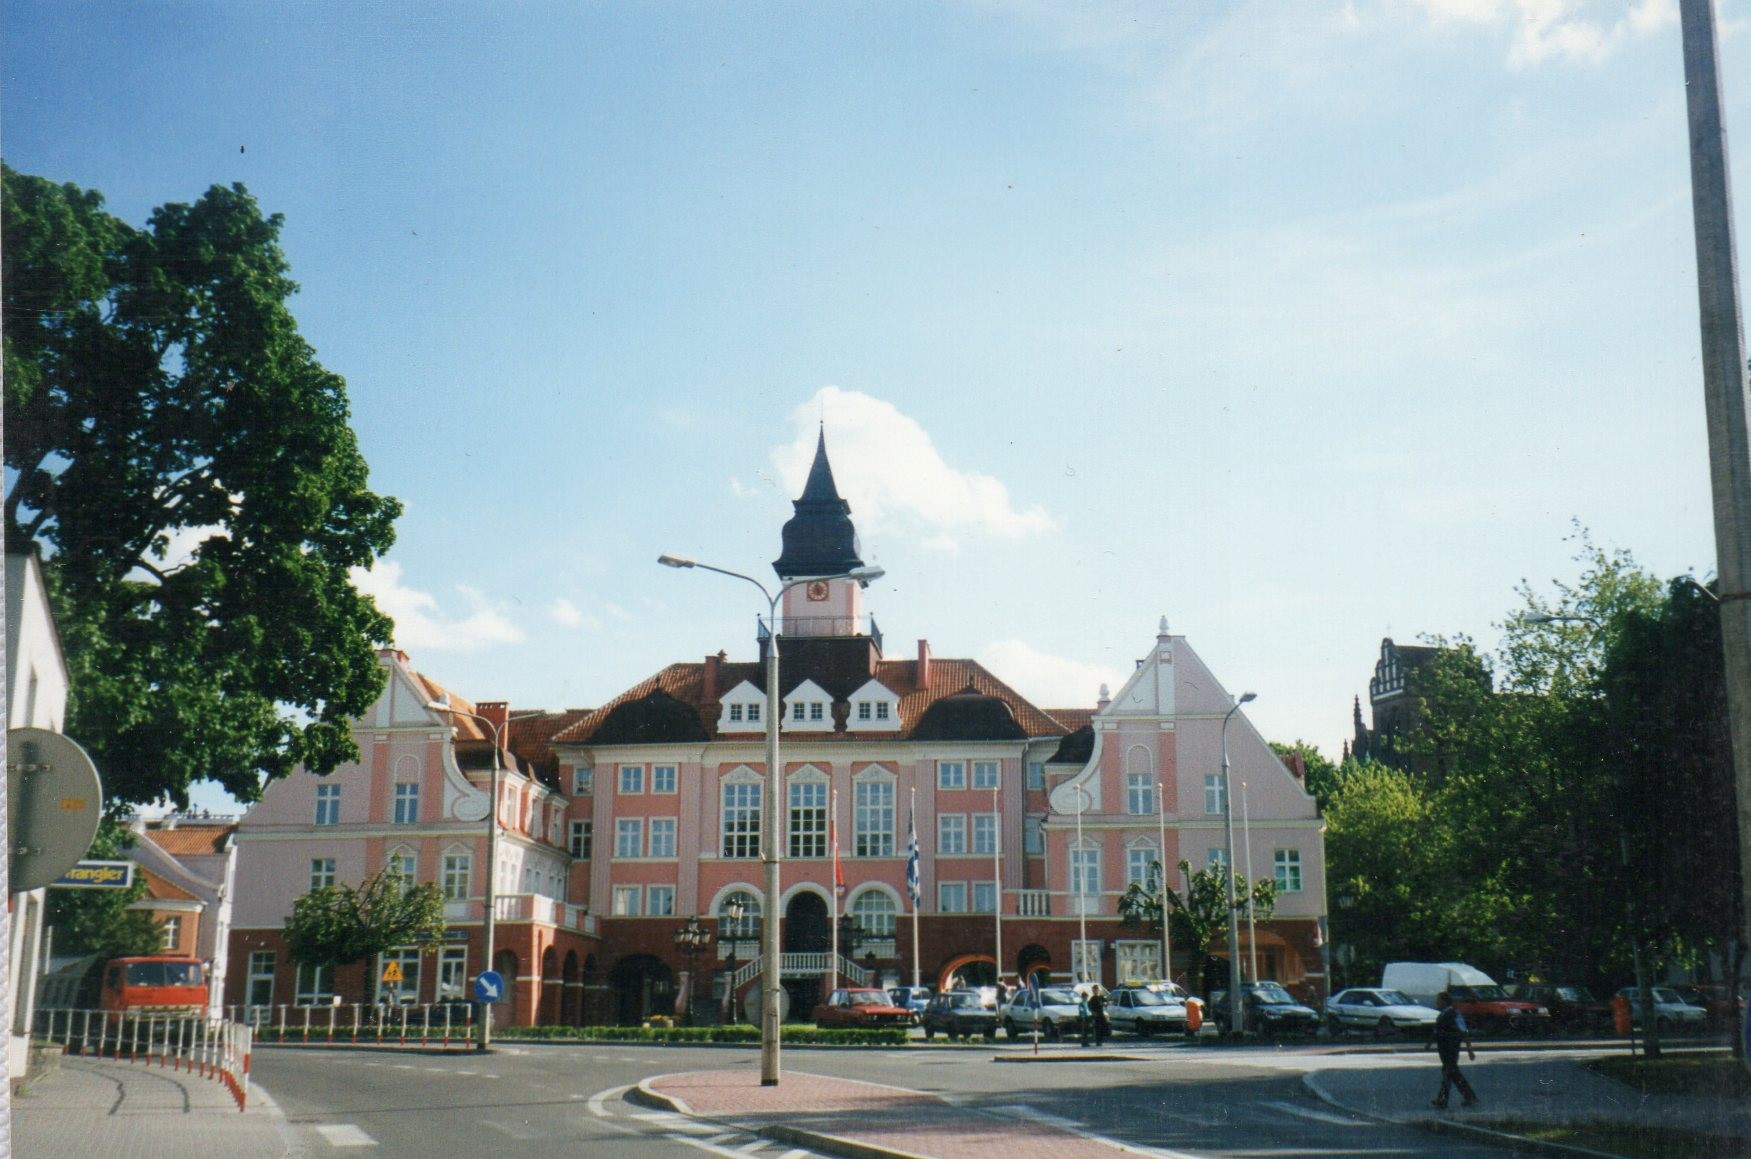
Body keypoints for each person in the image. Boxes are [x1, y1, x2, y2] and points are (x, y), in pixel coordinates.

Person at [1428, 990, 1478, 1108]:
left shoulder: (1455, 1014)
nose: (1437, 1003)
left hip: (1451, 1049)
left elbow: (1464, 1031)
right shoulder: (1442, 1015)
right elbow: (1436, 1032)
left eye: (1439, 1000)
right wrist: (1429, 1044)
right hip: (1444, 1049)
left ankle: (1445, 1099)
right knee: (1452, 1073)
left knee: (1449, 1072)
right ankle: (1468, 1097)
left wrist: (1469, 1050)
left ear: (1444, 1001)